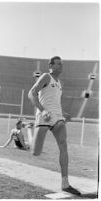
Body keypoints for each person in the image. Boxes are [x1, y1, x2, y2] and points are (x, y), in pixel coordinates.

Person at [28, 56, 81, 196]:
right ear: (50, 65)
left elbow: (55, 102)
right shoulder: (46, 77)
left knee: (63, 145)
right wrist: (43, 110)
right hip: (44, 115)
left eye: (62, 64)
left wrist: (64, 113)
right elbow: (31, 93)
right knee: (36, 152)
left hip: (57, 117)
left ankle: (65, 183)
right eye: (58, 64)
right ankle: (29, 131)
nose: (61, 66)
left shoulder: (59, 83)